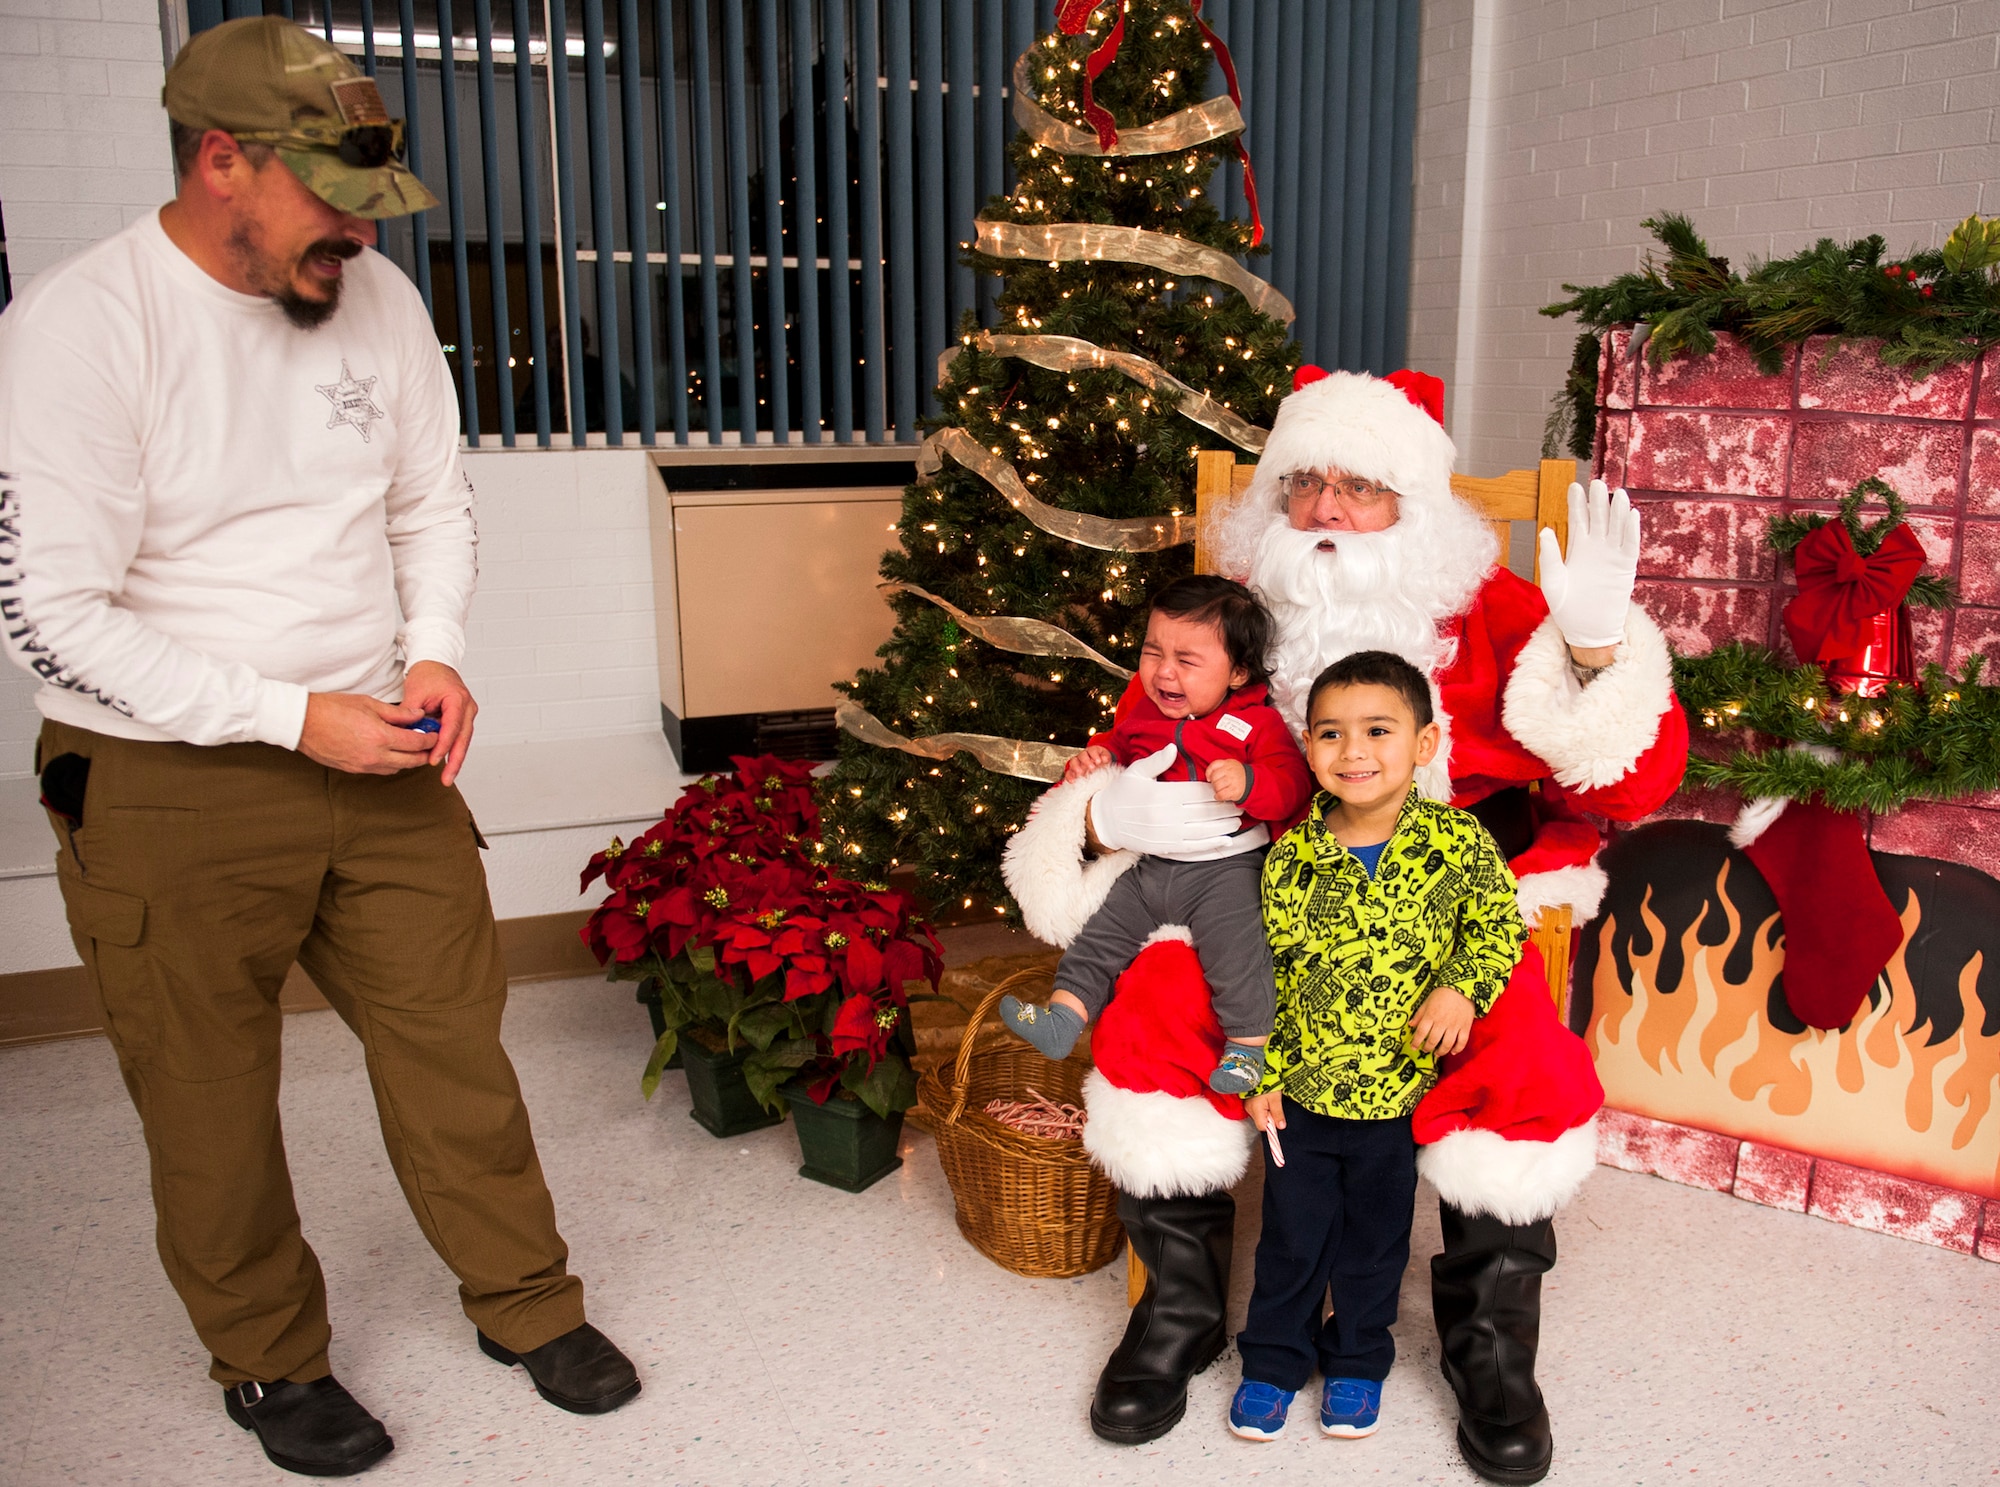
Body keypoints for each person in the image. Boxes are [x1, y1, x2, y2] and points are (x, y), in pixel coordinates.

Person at [0, 17, 638, 1477]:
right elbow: (50, 616)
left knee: (455, 1051)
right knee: (209, 1097)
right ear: (222, 161)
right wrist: (294, 719)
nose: (357, 230)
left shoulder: (379, 296)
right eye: (329, 197)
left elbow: (429, 499)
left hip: (386, 747)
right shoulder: (81, 328)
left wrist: (435, 651)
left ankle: (524, 1301)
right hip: (171, 781)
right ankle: (270, 1358)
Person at [1002, 364, 1684, 1480]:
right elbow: (1139, 731)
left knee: (1518, 1057)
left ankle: (1487, 1341)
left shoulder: (1493, 604)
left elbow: (1628, 782)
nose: (1323, 510)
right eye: (1303, 482)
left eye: (1357, 485)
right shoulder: (1231, 607)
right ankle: (1178, 1312)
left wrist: (1599, 652)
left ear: (1412, 504)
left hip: (1453, 895)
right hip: (1256, 896)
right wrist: (1106, 801)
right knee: (1156, 1019)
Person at [1227, 651, 1524, 1443]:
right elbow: (1262, 976)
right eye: (1330, 733)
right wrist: (1258, 1071)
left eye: (1377, 730)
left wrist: (1460, 987)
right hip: (1302, 1095)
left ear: (1424, 745)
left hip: (1399, 1096)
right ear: (1308, 744)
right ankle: (1272, 1360)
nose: (1353, 751)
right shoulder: (1290, 857)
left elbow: (1498, 928)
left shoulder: (1457, 844)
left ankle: (1356, 1359)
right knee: (1291, 1237)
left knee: (1374, 1243)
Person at [998, 576, 1312, 1094]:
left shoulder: (1255, 724)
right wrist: (1098, 755)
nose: (1164, 672)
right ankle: (1062, 1019)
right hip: (1153, 866)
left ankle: (1246, 1051)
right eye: (1152, 652)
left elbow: (1293, 786)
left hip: (1226, 869)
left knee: (1235, 953)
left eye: (1187, 661)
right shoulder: (1143, 713)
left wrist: (1250, 781)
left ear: (1237, 672)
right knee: (1100, 936)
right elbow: (1116, 745)